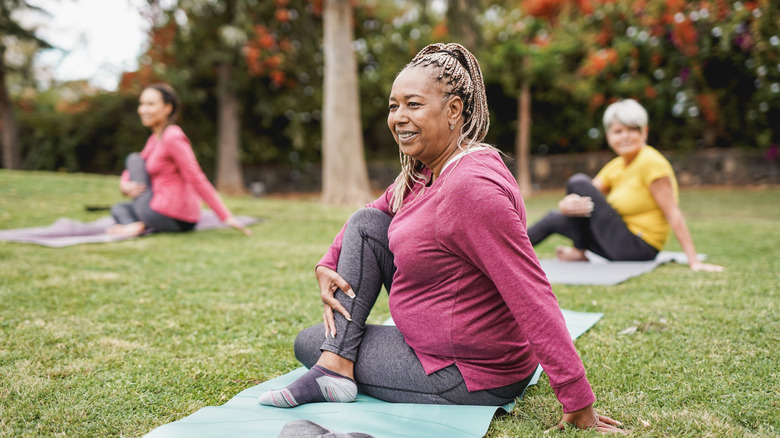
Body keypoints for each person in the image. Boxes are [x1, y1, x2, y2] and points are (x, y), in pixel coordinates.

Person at [258, 43, 626, 434]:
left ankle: (334, 365)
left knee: (308, 342)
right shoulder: (426, 171)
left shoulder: (470, 188)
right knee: (367, 225)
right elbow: (373, 213)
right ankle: (335, 365)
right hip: (442, 348)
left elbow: (530, 291)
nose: (399, 117)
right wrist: (327, 262)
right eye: (393, 106)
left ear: (453, 110)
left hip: (467, 372)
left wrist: (577, 399)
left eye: (413, 104)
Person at [527, 99, 723, 272]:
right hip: (616, 241)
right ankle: (503, 257)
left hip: (639, 246)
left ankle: (579, 251)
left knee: (577, 181)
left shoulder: (651, 162)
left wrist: (694, 261)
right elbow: (585, 195)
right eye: (618, 131)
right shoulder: (617, 165)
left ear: (644, 132)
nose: (625, 136)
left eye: (632, 129)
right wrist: (566, 205)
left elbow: (673, 212)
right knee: (554, 217)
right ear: (609, 136)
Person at [108, 83, 251, 237]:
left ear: (167, 108)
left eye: (150, 104)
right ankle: (139, 225)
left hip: (171, 215)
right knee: (119, 208)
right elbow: (133, 169)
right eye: (142, 104)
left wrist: (225, 216)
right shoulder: (154, 139)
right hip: (162, 212)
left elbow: (196, 177)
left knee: (133, 158)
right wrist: (124, 185)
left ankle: (139, 224)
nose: (143, 110)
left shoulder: (172, 136)